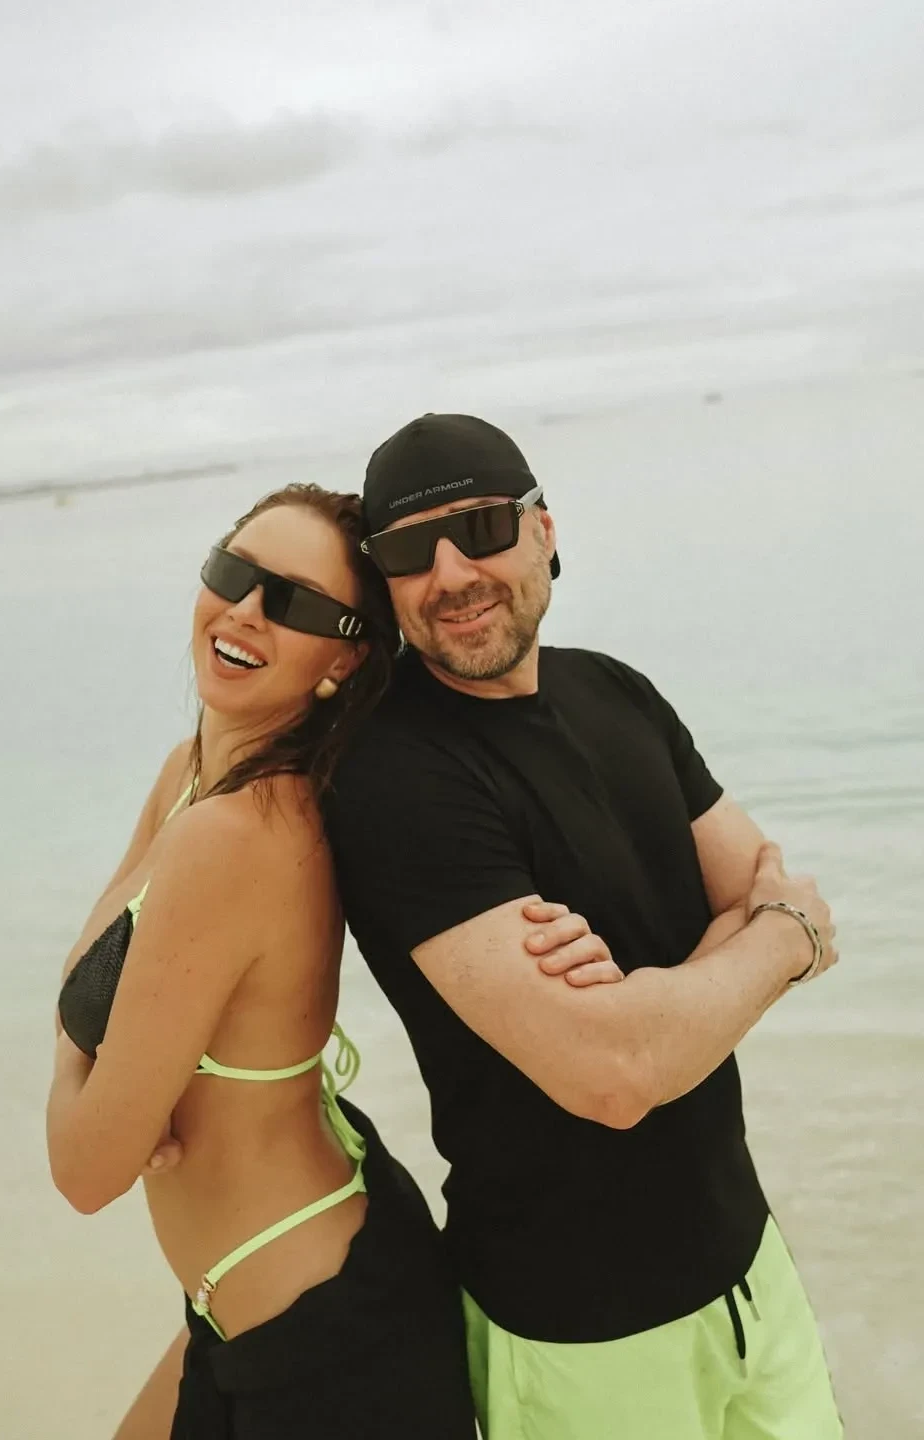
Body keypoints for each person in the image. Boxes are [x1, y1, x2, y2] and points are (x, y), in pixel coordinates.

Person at [48, 481, 617, 1439]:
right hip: (244, 1306)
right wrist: (103, 1071)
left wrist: (92, 1072)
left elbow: (85, 1170)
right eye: (234, 571)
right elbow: (88, 995)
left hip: (329, 1341)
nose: (245, 610)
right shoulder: (190, 773)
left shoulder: (236, 835)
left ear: (347, 657)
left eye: (295, 604)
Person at [318, 413, 845, 1439]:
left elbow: (766, 886)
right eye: (408, 551)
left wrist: (657, 1006)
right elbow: (613, 1077)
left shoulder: (615, 691)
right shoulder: (393, 774)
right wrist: (775, 942)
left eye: (480, 528)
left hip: (752, 1271)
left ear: (544, 530)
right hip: (577, 1332)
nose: (451, 573)